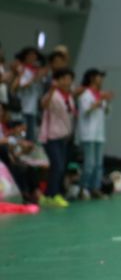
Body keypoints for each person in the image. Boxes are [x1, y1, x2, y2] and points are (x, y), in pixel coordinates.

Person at [39, 68, 77, 208]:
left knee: (60, 167)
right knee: (58, 166)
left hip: (64, 136)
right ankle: (53, 195)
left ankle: (49, 195)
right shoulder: (53, 94)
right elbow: (44, 105)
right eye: (64, 78)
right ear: (57, 80)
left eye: (70, 79)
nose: (67, 81)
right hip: (52, 136)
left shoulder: (69, 96)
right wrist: (51, 90)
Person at [76, 69, 113, 200]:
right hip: (88, 134)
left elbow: (106, 113)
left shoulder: (99, 95)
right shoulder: (85, 95)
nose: (101, 80)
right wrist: (99, 101)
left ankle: (95, 188)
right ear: (92, 78)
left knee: (98, 165)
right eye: (99, 77)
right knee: (89, 164)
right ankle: (83, 188)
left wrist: (107, 103)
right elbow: (85, 111)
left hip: (99, 134)